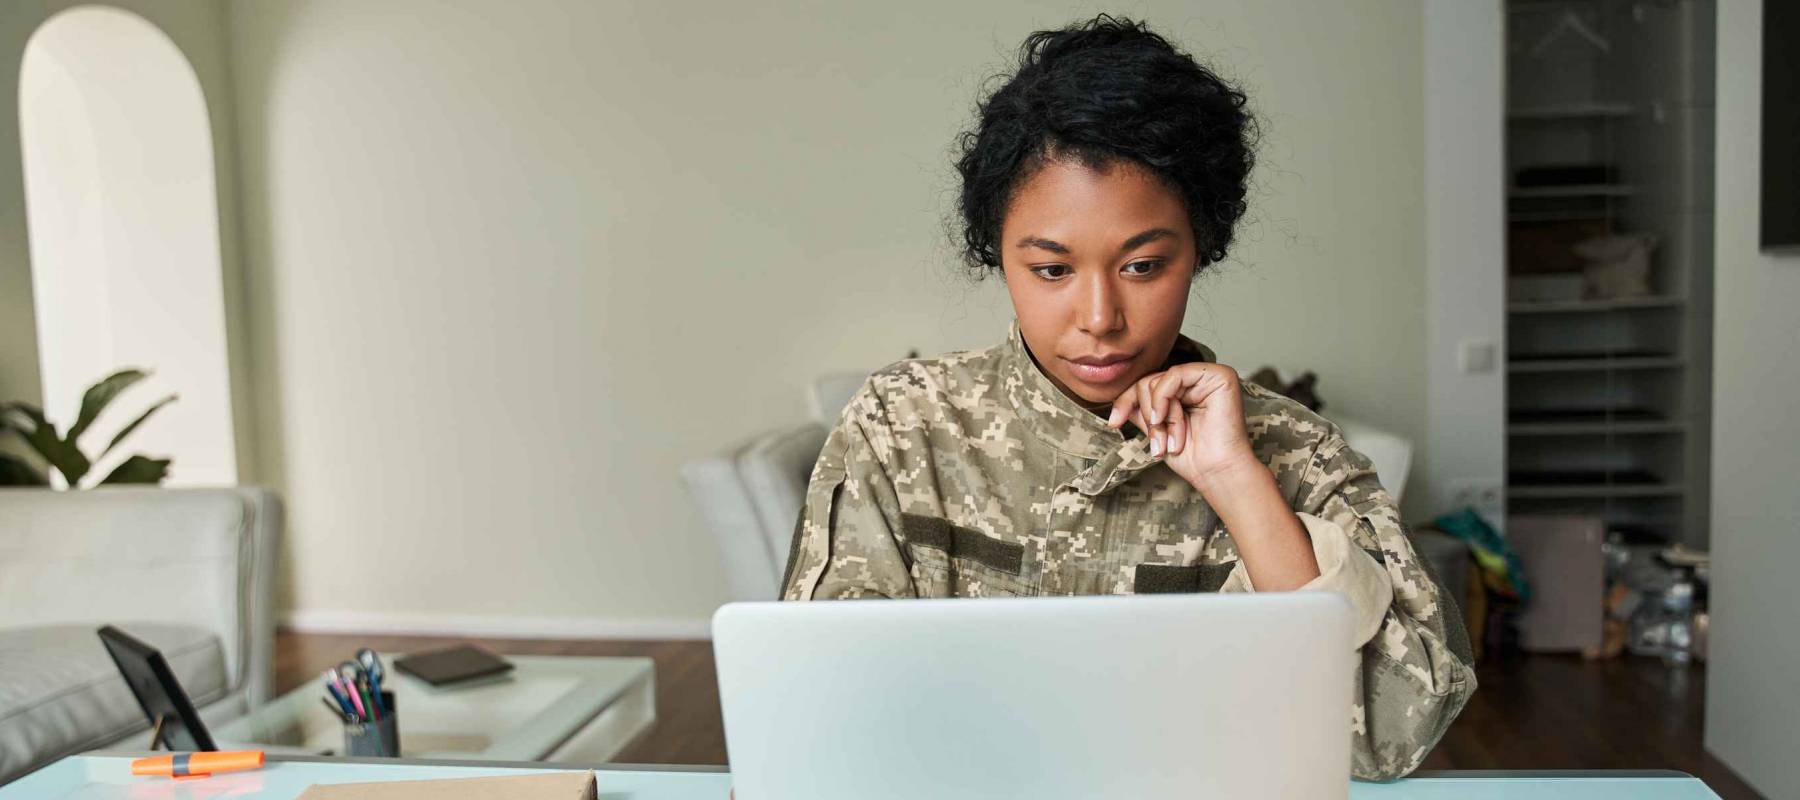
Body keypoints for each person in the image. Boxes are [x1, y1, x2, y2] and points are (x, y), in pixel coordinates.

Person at [778, 13, 1476, 781]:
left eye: (1143, 267)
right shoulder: (905, 425)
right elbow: (819, 711)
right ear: (998, 255)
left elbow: (1391, 738)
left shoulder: (1296, 454)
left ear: (1199, 247)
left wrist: (1239, 486)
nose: (1101, 318)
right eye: (1051, 270)